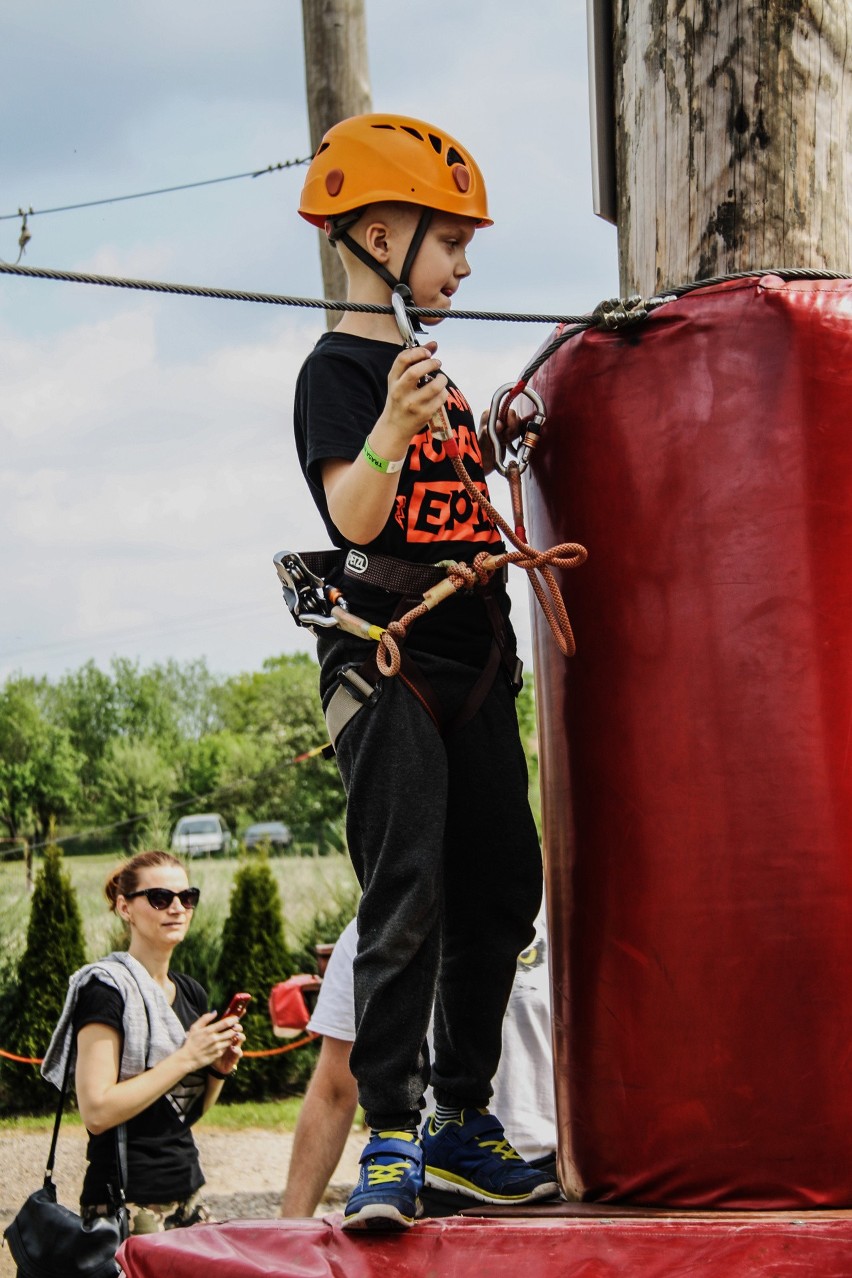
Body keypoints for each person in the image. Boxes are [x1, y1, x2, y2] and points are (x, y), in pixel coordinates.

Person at [293, 112, 558, 1230]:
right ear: (379, 233)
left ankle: (458, 1122)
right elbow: (352, 514)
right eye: (448, 242)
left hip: (474, 655)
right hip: (388, 659)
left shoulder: (433, 379)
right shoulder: (340, 374)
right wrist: (396, 433)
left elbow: (460, 496)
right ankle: (391, 1138)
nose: (461, 266)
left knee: (503, 884)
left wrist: (493, 438)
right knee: (408, 896)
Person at [280, 911, 558, 1219]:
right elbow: (333, 1094)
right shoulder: (378, 924)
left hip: (543, 1184)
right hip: (431, 1191)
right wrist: (290, 1232)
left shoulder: (555, 917)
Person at [40, 850, 245, 1236]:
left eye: (187, 897)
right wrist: (186, 1058)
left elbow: (185, 1115)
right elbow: (96, 1111)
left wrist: (218, 1068)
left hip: (188, 1193)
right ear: (125, 907)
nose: (177, 908)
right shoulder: (105, 990)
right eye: (159, 898)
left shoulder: (190, 992)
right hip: (126, 1204)